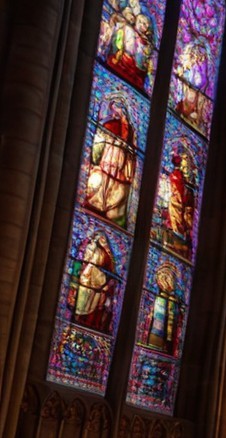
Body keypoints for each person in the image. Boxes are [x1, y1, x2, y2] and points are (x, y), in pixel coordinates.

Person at [83, 100, 136, 228]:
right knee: (106, 175)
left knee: (114, 180)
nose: (114, 113)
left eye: (117, 110)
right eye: (113, 110)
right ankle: (99, 204)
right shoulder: (111, 124)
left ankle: (108, 208)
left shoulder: (127, 130)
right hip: (110, 156)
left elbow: (130, 145)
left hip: (119, 158)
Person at [72, 230, 117, 332]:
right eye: (99, 238)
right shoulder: (93, 248)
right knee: (81, 303)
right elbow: (85, 259)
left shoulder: (108, 254)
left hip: (99, 281)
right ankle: (77, 320)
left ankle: (90, 325)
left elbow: (112, 272)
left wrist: (107, 284)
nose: (102, 240)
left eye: (104, 239)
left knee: (95, 307)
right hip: (88, 279)